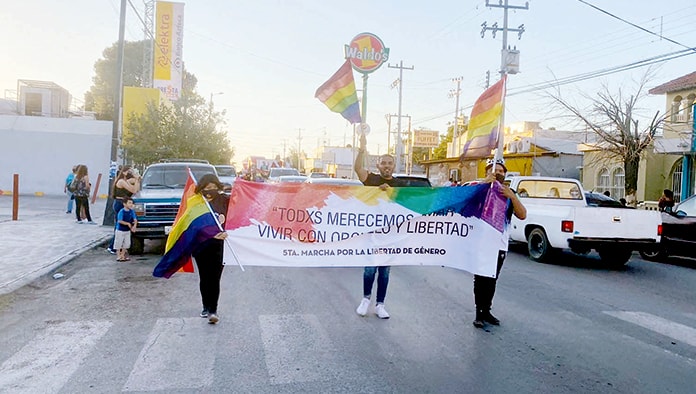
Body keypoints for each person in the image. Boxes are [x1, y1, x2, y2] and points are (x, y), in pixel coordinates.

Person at [353, 133, 406, 319]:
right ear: (378, 165)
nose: (386, 166)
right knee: (370, 268)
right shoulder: (371, 180)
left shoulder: (400, 185)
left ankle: (380, 305)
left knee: (385, 271)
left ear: (393, 166)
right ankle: (365, 299)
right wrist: (361, 149)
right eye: (383, 163)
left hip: (391, 236)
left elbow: (416, 202)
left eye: (389, 163)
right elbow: (357, 168)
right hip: (371, 234)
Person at [473, 158, 527, 328]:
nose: (497, 173)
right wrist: (483, 186)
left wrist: (512, 196)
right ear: (486, 173)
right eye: (493, 170)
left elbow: (522, 214)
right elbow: (468, 204)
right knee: (481, 279)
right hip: (481, 244)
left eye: (501, 171)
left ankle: (487, 310)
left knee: (492, 280)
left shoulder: (508, 193)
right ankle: (478, 313)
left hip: (499, 245)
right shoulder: (479, 190)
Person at [193, 174, 230, 324]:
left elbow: (236, 213)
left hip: (219, 246)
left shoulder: (224, 200)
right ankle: (205, 305)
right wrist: (212, 234)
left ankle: (213, 310)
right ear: (201, 188)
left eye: (214, 187)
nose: (211, 191)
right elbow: (194, 225)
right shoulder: (196, 202)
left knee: (215, 278)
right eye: (208, 188)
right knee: (205, 277)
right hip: (201, 245)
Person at [107, 166, 141, 254]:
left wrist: (137, 179)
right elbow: (133, 190)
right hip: (120, 203)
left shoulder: (126, 181)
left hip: (124, 203)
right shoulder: (121, 181)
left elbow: (136, 190)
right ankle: (113, 247)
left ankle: (117, 246)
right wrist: (136, 179)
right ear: (124, 172)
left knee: (121, 227)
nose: (131, 173)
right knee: (119, 226)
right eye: (129, 171)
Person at [115, 197, 137, 262]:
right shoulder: (122, 211)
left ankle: (123, 255)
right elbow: (119, 221)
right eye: (129, 203)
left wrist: (134, 226)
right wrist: (128, 224)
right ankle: (118, 255)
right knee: (119, 243)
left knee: (126, 243)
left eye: (132, 203)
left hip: (127, 230)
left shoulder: (132, 211)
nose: (131, 205)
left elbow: (135, 219)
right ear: (124, 204)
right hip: (120, 230)